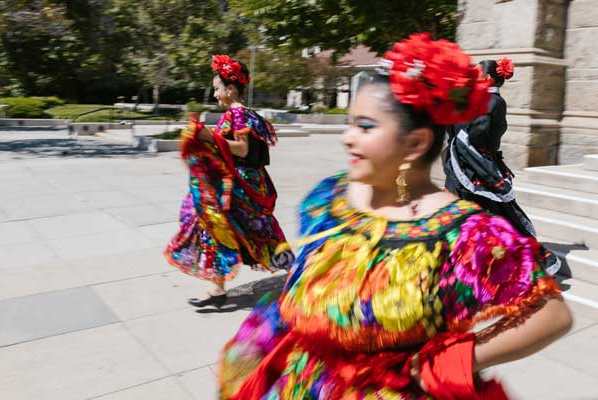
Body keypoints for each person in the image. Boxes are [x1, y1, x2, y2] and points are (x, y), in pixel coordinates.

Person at [217, 34, 572, 399]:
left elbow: (551, 313)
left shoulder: (467, 233)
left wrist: (456, 361)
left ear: (415, 143)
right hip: (303, 382)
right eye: (351, 123)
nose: (348, 138)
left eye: (366, 126)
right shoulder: (328, 197)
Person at [165, 54, 294, 308]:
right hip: (233, 181)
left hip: (240, 183)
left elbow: (243, 150)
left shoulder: (239, 114)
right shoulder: (240, 114)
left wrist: (209, 137)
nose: (215, 95)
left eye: (217, 89)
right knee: (219, 228)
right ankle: (218, 289)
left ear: (231, 89)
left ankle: (294, 272)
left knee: (254, 229)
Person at [443, 58, 561, 275]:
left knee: (495, 218)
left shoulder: (493, 102)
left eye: (475, 74)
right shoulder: (480, 99)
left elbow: (477, 135)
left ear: (487, 79)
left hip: (478, 167)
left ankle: (522, 263)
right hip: (465, 165)